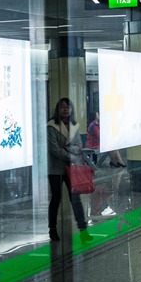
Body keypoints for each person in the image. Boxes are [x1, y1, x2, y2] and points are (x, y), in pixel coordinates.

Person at [47, 98, 88, 241]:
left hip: (72, 169)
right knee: (56, 199)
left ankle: (83, 229)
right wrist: (70, 155)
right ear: (58, 110)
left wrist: (68, 150)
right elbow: (54, 149)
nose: (65, 110)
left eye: (68, 107)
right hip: (55, 169)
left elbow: (79, 146)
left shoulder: (74, 125)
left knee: (75, 198)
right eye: (62, 107)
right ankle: (52, 229)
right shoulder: (51, 126)